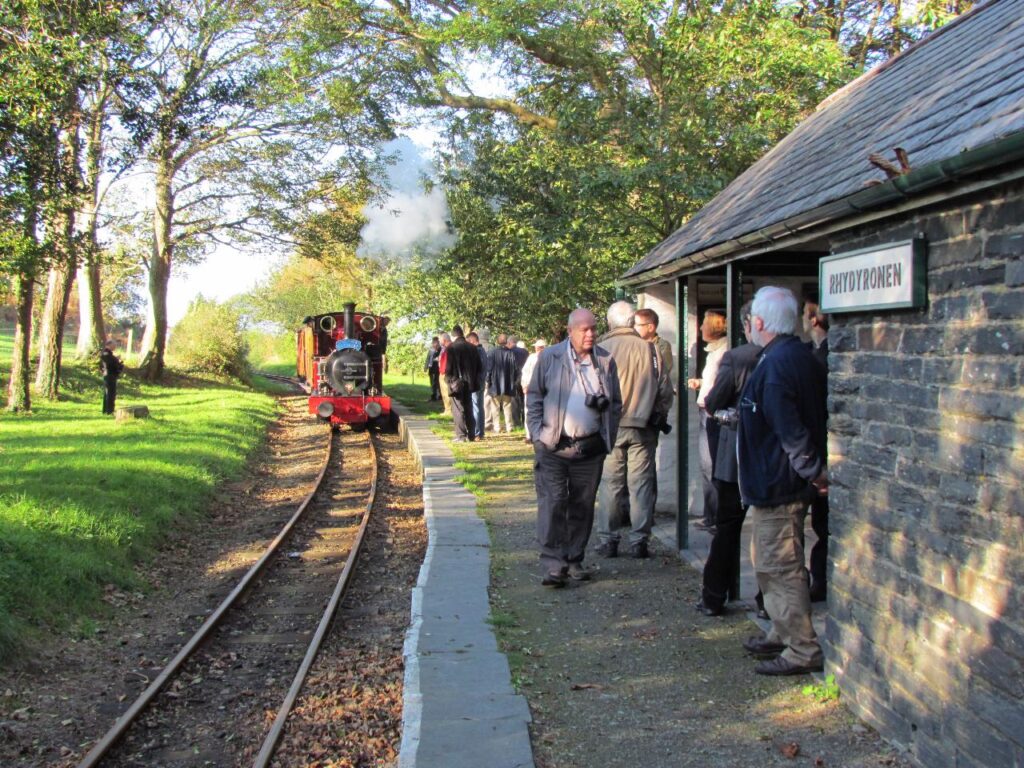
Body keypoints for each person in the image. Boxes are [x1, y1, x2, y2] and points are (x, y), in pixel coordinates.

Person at [738, 286, 827, 676]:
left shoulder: (776, 365)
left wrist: (812, 471)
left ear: (758, 323)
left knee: (781, 565)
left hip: (779, 484)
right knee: (768, 561)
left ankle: (801, 649)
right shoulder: (796, 356)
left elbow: (790, 428)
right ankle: (780, 629)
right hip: (775, 481)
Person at [528, 308, 622, 588]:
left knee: (582, 506)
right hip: (554, 446)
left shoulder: (605, 360)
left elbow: (615, 404)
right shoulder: (550, 357)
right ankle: (554, 565)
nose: (590, 334)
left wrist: (608, 437)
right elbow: (534, 396)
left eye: (593, 328)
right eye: (584, 329)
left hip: (590, 448)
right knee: (553, 503)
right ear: (570, 332)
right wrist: (537, 434)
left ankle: (574, 558)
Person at [593, 301, 673, 559]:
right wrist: (658, 414)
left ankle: (609, 539)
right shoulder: (651, 350)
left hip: (610, 426)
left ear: (609, 323)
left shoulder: (601, 349)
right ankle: (640, 540)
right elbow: (664, 389)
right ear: (631, 322)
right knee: (641, 484)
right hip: (643, 425)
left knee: (610, 484)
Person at [696, 301, 761, 616]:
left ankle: (713, 595)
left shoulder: (737, 358)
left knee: (727, 527)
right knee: (776, 534)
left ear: (751, 323)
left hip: (737, 456)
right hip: (780, 459)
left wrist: (716, 407)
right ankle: (767, 601)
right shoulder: (801, 356)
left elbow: (713, 400)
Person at [687, 309, 728, 531]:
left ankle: (719, 517)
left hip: (714, 414)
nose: (701, 327)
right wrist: (701, 383)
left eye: (704, 323)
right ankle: (711, 515)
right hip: (706, 412)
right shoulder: (713, 352)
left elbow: (724, 384)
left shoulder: (725, 352)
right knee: (706, 466)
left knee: (713, 465)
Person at [803, 297, 830, 602]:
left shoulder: (825, 356)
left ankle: (820, 581)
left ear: (813, 319)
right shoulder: (810, 353)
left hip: (820, 448)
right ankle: (818, 579)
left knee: (823, 524)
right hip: (813, 450)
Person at [445, 326, 481, 442]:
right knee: (469, 408)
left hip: (457, 383)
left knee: (458, 409)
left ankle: (461, 436)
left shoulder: (451, 348)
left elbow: (449, 368)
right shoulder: (472, 348)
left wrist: (449, 380)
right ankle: (471, 434)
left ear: (453, 336)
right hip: (470, 384)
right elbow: (479, 367)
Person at [487, 333, 519, 433]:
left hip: (495, 384)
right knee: (507, 406)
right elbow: (515, 369)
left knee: (495, 407)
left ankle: (497, 427)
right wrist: (514, 381)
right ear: (506, 342)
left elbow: (489, 369)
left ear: (497, 341)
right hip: (508, 385)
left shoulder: (492, 352)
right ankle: (509, 426)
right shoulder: (510, 353)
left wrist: (488, 381)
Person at [520, 339, 546, 442]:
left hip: (539, 388)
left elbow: (525, 372)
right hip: (532, 388)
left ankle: (536, 434)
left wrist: (524, 385)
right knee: (529, 411)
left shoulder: (545, 357)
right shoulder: (532, 358)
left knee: (535, 411)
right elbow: (525, 372)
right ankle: (530, 435)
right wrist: (524, 385)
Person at [467, 331, 488, 440]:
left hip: (476, 382)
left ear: (472, 341)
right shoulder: (483, 350)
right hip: (481, 382)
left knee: (476, 407)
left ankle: (476, 432)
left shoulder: (476, 352)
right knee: (480, 407)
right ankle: (481, 432)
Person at [99, 340, 124, 415]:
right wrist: (117, 360)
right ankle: (109, 411)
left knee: (109, 393)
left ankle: (106, 410)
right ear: (109, 345)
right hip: (109, 375)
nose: (115, 347)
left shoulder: (109, 354)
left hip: (111, 375)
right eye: (114, 345)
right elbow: (109, 364)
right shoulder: (106, 353)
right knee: (110, 393)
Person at [438, 333, 452, 416]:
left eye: (440, 340)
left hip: (445, 373)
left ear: (444, 340)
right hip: (443, 372)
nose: (439, 341)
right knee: (444, 392)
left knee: (446, 391)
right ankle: (447, 409)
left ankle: (448, 410)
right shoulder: (446, 348)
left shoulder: (449, 348)